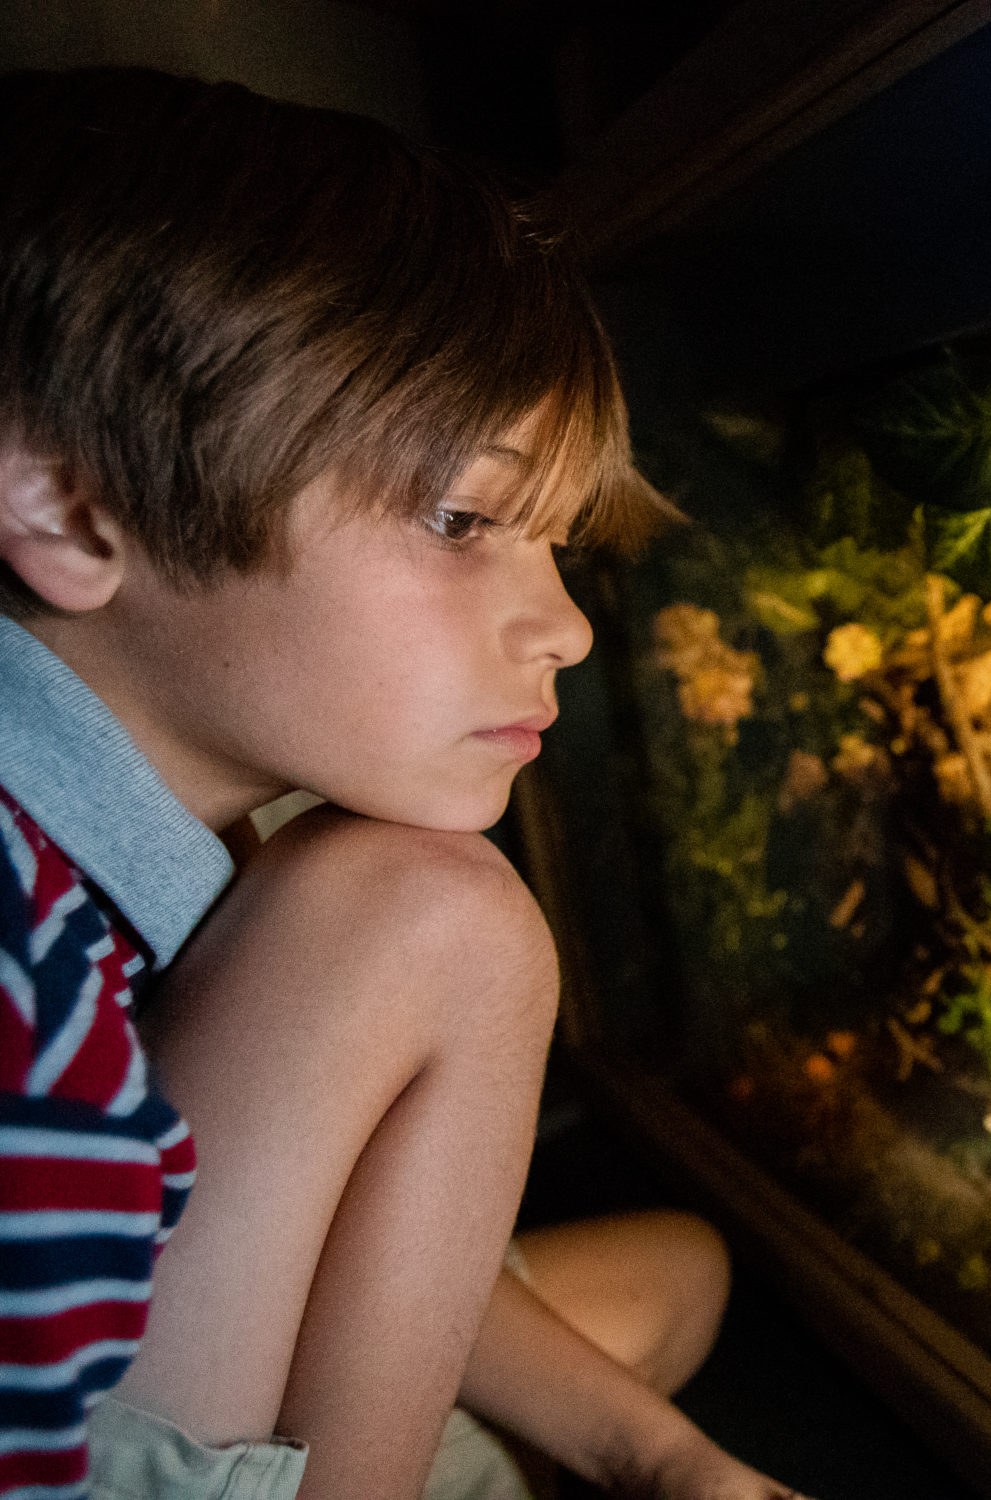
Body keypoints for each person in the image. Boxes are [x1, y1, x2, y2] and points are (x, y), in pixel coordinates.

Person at [0, 67, 807, 1500]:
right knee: (444, 922)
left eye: (553, 543)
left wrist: (666, 1460)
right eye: (462, 518)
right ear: (70, 503)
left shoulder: (146, 846)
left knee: (676, 1281)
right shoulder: (28, 1021)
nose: (563, 627)